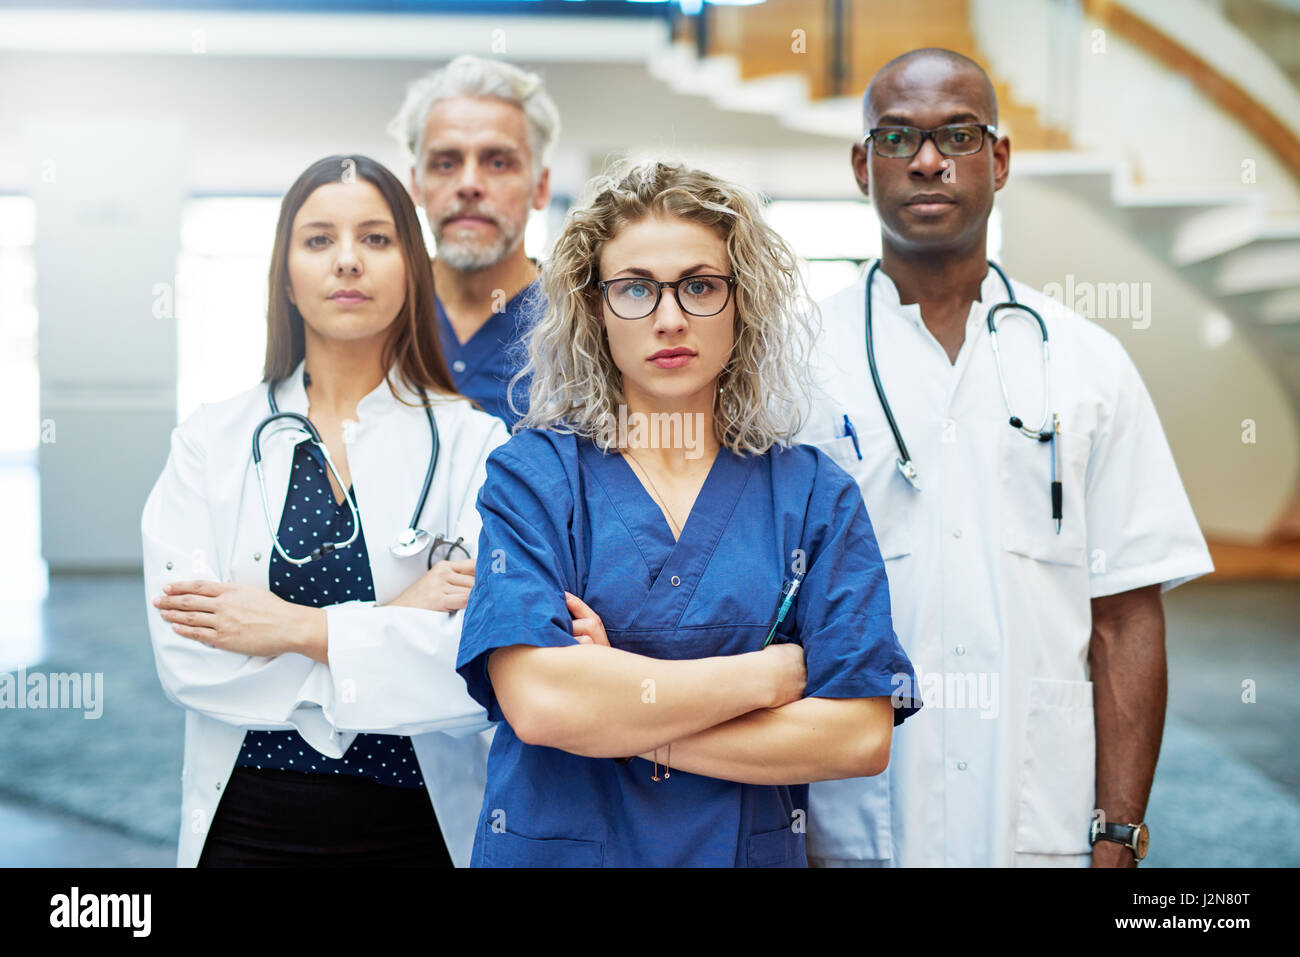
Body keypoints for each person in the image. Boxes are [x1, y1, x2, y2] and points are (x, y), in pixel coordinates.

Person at [799, 48, 1215, 868]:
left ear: (999, 159)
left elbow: (1126, 615)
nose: (927, 160)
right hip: (849, 818)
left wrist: (1118, 832)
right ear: (861, 165)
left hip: (1040, 820)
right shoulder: (793, 361)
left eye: (957, 134)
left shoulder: (1088, 364)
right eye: (896, 138)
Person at [454, 159, 921, 867]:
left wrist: (620, 714)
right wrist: (763, 679)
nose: (670, 317)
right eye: (636, 288)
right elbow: (542, 704)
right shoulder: (535, 476)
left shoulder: (813, 496)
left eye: (700, 286)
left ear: (742, 302)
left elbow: (859, 736)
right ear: (596, 306)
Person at [143, 154, 509, 867]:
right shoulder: (209, 440)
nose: (347, 261)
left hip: (420, 825)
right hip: (246, 823)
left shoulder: (475, 442)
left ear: (413, 267)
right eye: (318, 240)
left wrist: (292, 628)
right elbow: (188, 658)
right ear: (285, 273)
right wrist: (399, 619)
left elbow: (479, 671)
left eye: (376, 239)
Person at [387, 55, 559, 427]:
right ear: (416, 184)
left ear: (540, 187)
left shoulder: (581, 326)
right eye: (445, 163)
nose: (469, 185)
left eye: (498, 163)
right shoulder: (379, 313)